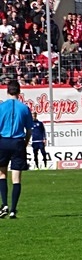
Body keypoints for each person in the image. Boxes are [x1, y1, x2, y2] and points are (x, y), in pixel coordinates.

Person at [0, 80, 34, 219]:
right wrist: (25, 143)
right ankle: (13, 209)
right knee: (16, 178)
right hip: (18, 142)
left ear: (7, 91)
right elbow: (29, 130)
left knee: (2, 175)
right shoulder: (24, 108)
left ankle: (4, 204)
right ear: (19, 93)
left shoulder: (1, 107)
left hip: (3, 141)